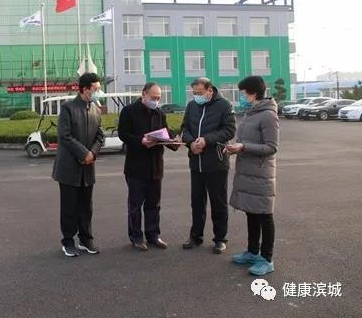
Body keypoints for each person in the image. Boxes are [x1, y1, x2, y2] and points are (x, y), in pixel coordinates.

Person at [226, 76, 279, 276]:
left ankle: (267, 259)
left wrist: (243, 147)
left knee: (264, 215)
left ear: (253, 93)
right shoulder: (251, 113)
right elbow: (246, 141)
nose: (241, 97)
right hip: (248, 171)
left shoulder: (268, 115)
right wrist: (235, 148)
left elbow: (272, 147)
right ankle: (252, 251)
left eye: (243, 93)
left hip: (261, 173)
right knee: (252, 213)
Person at [118, 82, 180, 251]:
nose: (156, 101)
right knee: (135, 205)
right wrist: (140, 141)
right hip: (136, 166)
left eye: (158, 98)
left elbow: (165, 132)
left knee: (154, 204)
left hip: (155, 166)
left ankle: (153, 235)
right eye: (153, 97)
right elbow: (123, 134)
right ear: (144, 94)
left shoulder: (159, 113)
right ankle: (136, 237)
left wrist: (174, 141)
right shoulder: (129, 111)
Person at [181, 77, 236, 254]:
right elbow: (185, 129)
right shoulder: (191, 106)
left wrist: (206, 140)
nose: (196, 96)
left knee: (218, 203)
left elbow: (229, 130)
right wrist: (191, 143)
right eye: (194, 93)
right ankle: (195, 236)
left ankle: (220, 239)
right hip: (196, 162)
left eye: (200, 92)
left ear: (210, 90)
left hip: (216, 162)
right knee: (197, 202)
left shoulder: (224, 105)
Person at [52, 73, 105, 257]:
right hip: (69, 167)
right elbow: (65, 136)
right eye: (96, 89)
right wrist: (84, 153)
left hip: (87, 167)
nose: (98, 92)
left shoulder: (96, 109)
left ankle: (86, 239)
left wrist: (92, 153)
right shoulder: (68, 108)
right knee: (69, 207)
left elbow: (100, 136)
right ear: (84, 89)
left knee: (86, 207)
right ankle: (68, 241)